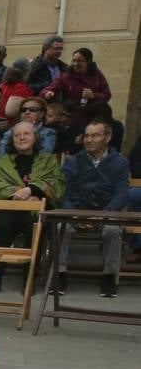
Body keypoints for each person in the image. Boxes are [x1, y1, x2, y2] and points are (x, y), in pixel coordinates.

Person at [0, 122, 64, 295]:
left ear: (35, 137)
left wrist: (33, 190)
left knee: (36, 226)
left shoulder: (48, 160)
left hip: (36, 212)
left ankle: (29, 279)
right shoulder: (3, 161)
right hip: (8, 209)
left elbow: (57, 183)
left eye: (27, 133)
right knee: (3, 225)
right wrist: (21, 194)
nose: (22, 137)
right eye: (17, 135)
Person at [56, 119, 129, 298]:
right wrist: (75, 215)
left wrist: (102, 215)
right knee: (59, 228)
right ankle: (60, 275)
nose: (89, 140)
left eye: (95, 135)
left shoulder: (120, 162)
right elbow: (63, 192)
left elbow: (121, 195)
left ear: (108, 137)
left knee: (113, 231)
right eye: (86, 136)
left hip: (106, 211)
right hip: (76, 211)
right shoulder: (73, 161)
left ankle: (109, 276)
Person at [41, 48, 111, 143]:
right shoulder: (66, 76)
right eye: (74, 60)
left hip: (92, 120)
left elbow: (107, 95)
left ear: (88, 62)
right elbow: (50, 88)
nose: (75, 64)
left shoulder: (97, 75)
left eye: (80, 61)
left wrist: (93, 95)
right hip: (73, 120)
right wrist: (47, 93)